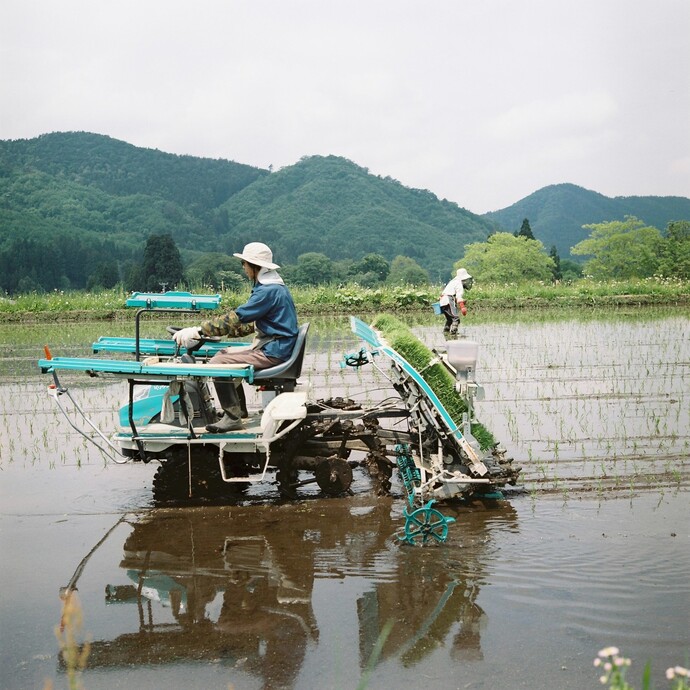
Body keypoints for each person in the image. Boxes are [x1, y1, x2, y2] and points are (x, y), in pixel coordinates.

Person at [173, 242, 299, 432]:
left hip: (274, 351)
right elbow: (253, 323)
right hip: (277, 346)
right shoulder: (273, 287)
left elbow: (236, 318)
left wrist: (198, 331)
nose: (243, 268)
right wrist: (216, 332)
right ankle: (239, 411)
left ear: (254, 266)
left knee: (218, 363)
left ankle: (232, 418)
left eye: (244, 264)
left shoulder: (267, 291)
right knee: (225, 353)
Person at [439, 268, 472, 335]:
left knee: (449, 320)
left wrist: (460, 301)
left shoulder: (452, 282)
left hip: (442, 302)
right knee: (456, 319)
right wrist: (462, 307)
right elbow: (458, 297)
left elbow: (449, 294)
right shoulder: (459, 284)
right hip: (448, 300)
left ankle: (446, 333)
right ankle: (454, 334)